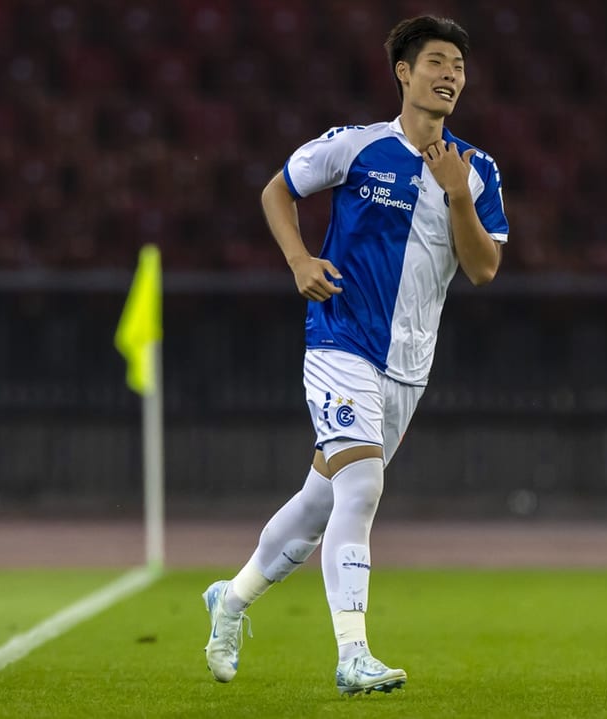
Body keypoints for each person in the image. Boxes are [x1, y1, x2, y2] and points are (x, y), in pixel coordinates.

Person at [202, 16, 508, 695]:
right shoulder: (358, 146)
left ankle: (231, 598)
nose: (450, 73)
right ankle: (353, 652)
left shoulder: (478, 170)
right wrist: (298, 259)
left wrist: (457, 193)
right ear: (403, 72)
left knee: (319, 503)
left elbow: (483, 268)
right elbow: (277, 189)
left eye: (458, 63)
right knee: (363, 488)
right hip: (340, 340)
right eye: (436, 60)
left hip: (409, 365)